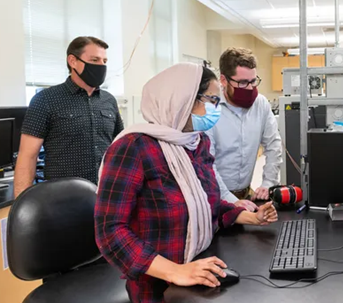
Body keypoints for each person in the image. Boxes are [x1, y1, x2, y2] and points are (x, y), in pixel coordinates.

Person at [95, 63, 278, 303]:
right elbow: (110, 231)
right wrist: (176, 271)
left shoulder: (195, 142)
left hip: (201, 267)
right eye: (211, 100)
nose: (216, 109)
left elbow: (207, 202)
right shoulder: (133, 148)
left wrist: (249, 216)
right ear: (182, 99)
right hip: (157, 286)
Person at [14, 36, 123, 197]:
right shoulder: (45, 100)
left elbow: (120, 146)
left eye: (104, 61)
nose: (101, 66)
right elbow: (27, 156)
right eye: (95, 60)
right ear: (73, 61)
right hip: (63, 199)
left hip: (106, 194)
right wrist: (20, 205)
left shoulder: (109, 101)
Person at [206, 47, 282, 212]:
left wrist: (268, 183)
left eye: (253, 81)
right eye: (242, 82)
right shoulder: (209, 109)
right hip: (214, 198)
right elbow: (206, 163)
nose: (249, 88)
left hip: (247, 194)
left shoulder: (260, 104)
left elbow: (273, 144)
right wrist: (229, 199)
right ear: (224, 81)